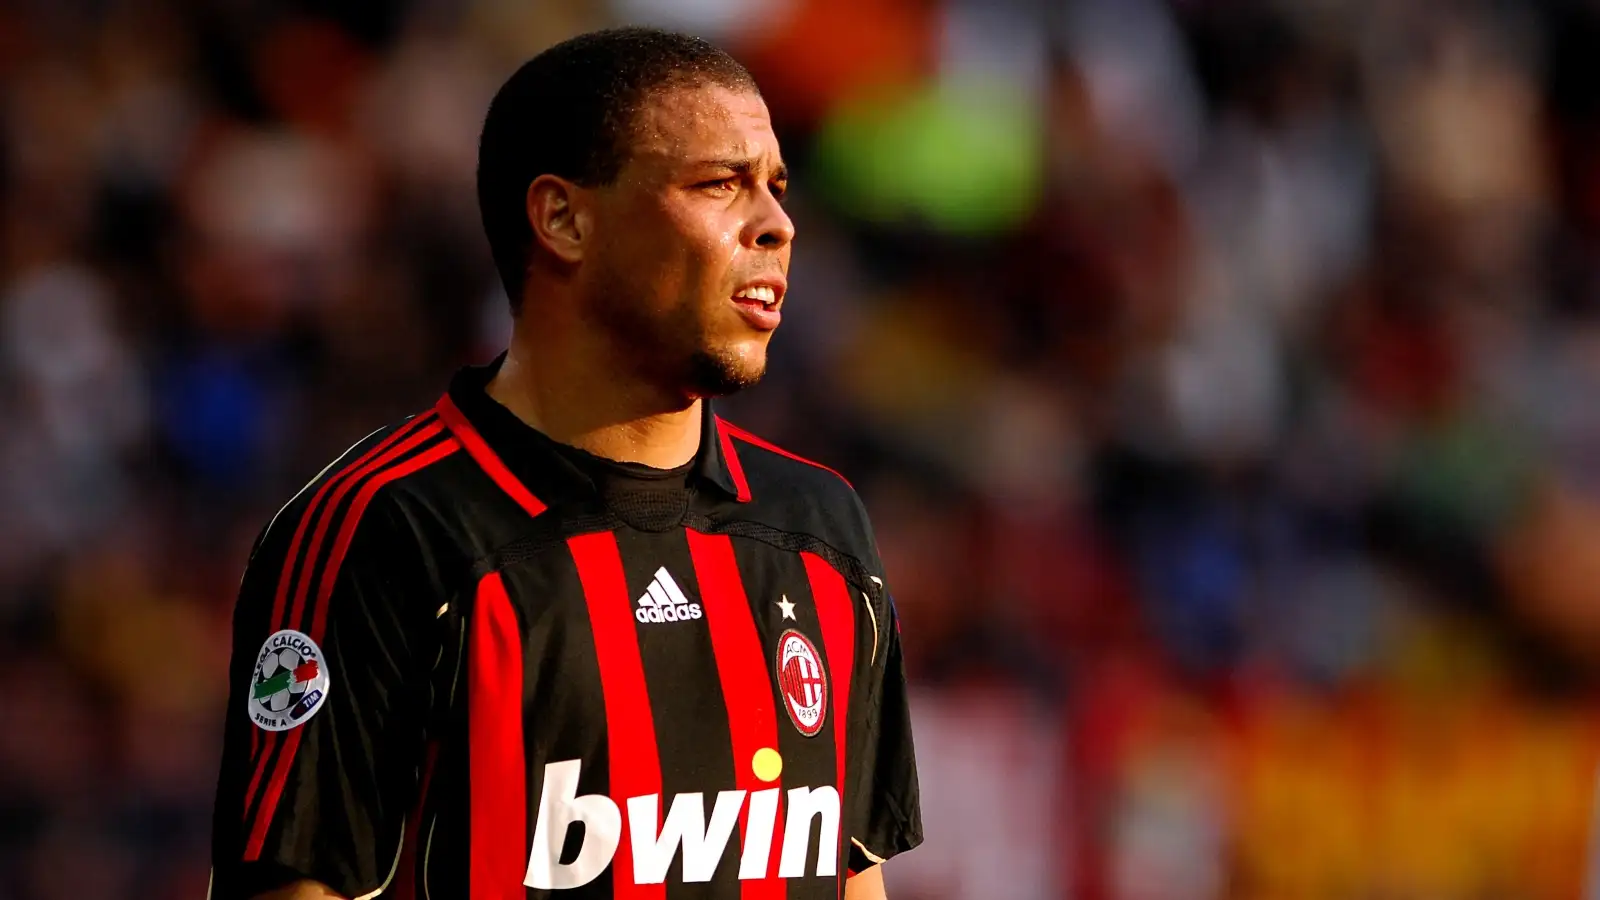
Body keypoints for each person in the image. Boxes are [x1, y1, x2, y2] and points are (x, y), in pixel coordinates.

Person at [208, 26, 922, 900]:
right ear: (563, 218)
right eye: (720, 184)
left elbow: (855, 881)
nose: (776, 224)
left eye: (775, 187)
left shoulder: (822, 528)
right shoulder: (383, 530)